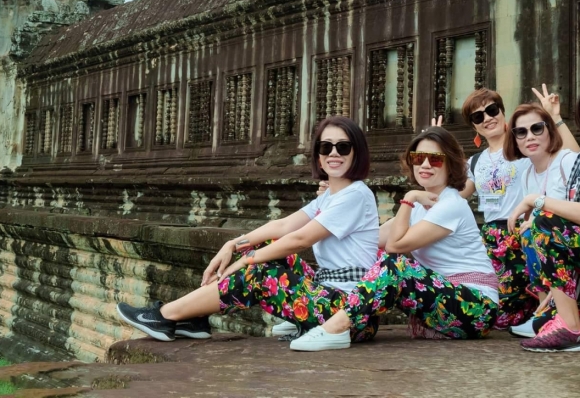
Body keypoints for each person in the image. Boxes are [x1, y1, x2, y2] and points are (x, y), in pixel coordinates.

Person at [116, 116, 380, 343]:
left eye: (343, 147)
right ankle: (194, 318)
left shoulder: (356, 195)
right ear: (318, 156)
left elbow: (300, 239)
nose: (334, 153)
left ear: (356, 153)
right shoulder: (331, 195)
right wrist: (233, 245)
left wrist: (246, 261)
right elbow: (283, 226)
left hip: (350, 313)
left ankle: (166, 315)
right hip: (328, 296)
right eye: (326, 146)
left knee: (260, 272)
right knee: (264, 246)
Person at [290, 126, 499, 351]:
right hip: (447, 302)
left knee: (394, 265)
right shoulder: (421, 206)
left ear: (450, 165)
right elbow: (371, 240)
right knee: (375, 258)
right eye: (418, 158)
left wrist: (409, 198)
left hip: (476, 308)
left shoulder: (451, 205)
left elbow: (394, 246)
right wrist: (336, 201)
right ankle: (321, 315)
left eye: (435, 159)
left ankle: (337, 327)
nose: (425, 165)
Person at [459, 86, 576, 337]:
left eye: (492, 110)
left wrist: (555, 118)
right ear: (473, 126)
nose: (487, 118)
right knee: (495, 312)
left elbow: (573, 160)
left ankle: (553, 317)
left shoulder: (527, 150)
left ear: (503, 112)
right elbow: (457, 196)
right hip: (493, 238)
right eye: (478, 116)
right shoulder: (476, 161)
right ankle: (546, 315)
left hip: (521, 231)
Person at [505, 102, 580, 351]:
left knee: (543, 221)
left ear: (549, 130)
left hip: (573, 250)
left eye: (537, 128)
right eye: (521, 132)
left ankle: (570, 327)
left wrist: (536, 200)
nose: (530, 136)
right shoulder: (527, 173)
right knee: (528, 230)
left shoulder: (568, 161)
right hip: (563, 255)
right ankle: (548, 311)